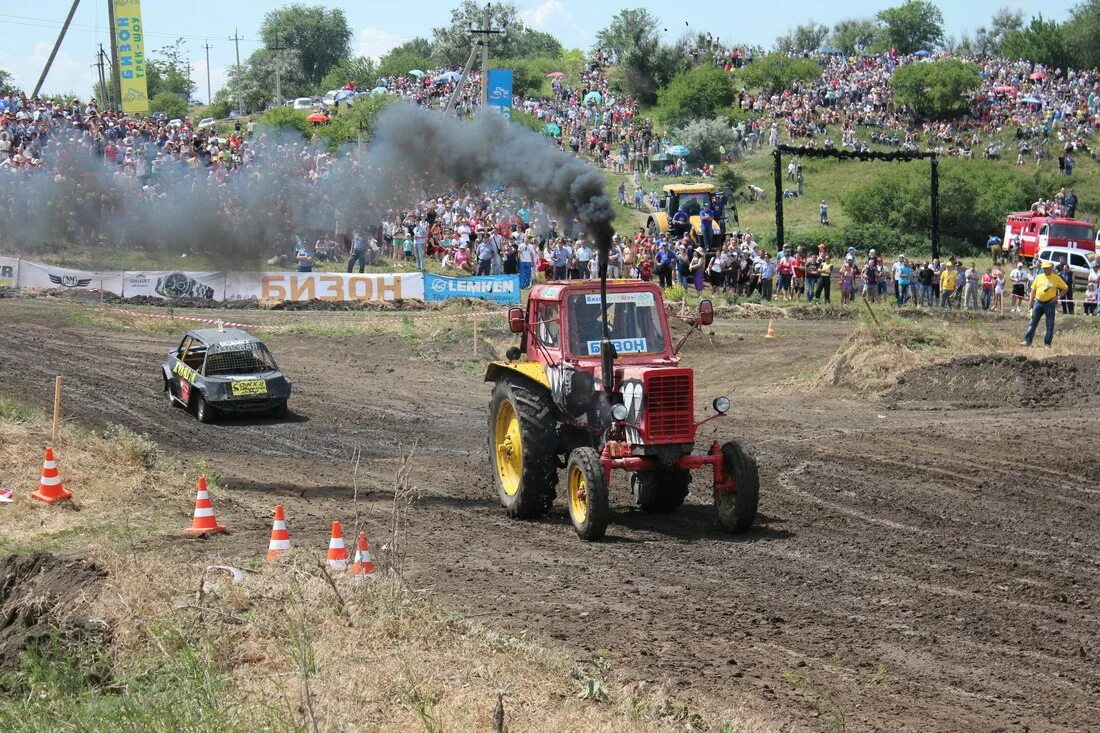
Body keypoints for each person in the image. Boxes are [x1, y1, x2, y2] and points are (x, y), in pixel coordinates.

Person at [1023, 261, 1068, 347]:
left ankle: (1047, 343)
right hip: (1038, 303)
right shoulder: (1038, 277)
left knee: (1050, 324)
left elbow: (1065, 288)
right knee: (1032, 322)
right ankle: (1027, 341)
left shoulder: (1056, 278)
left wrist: (1057, 297)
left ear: (1051, 268)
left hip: (1049, 304)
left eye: (1047, 268)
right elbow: (1033, 290)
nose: (1045, 270)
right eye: (1044, 268)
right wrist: (1030, 303)